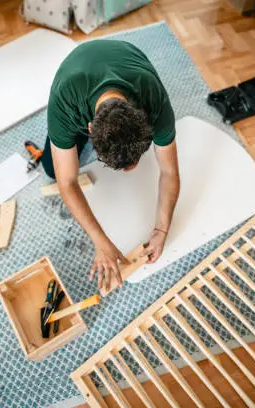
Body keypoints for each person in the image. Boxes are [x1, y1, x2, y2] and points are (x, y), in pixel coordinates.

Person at [42, 39, 180, 292]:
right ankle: (73, 138)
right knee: (52, 169)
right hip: (76, 78)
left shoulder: (153, 98)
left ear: (142, 118)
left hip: (126, 57)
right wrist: (100, 241)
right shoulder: (64, 103)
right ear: (91, 129)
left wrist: (162, 229)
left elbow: (170, 171)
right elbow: (67, 182)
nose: (131, 170)